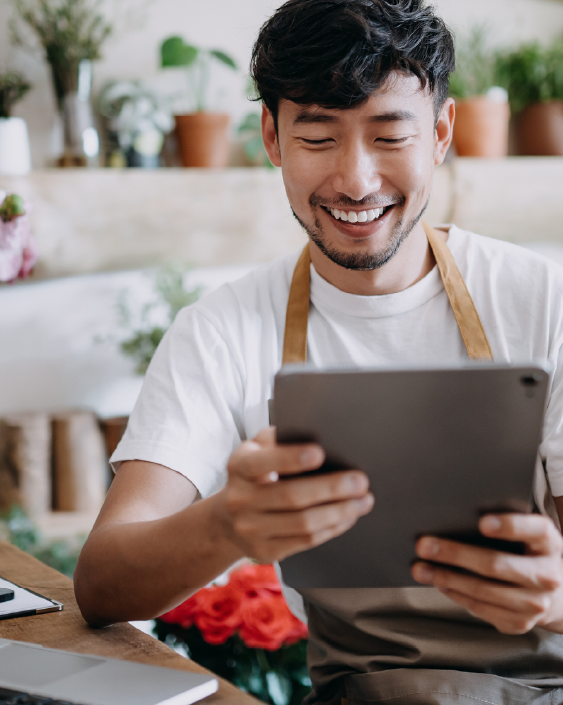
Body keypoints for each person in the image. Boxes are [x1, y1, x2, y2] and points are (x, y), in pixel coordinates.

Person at [74, 1, 563, 702]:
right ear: (272, 137)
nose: (356, 180)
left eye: (391, 135)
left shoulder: (543, 300)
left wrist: (552, 596)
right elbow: (100, 582)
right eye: (318, 137)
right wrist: (226, 523)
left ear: (441, 134)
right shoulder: (222, 330)